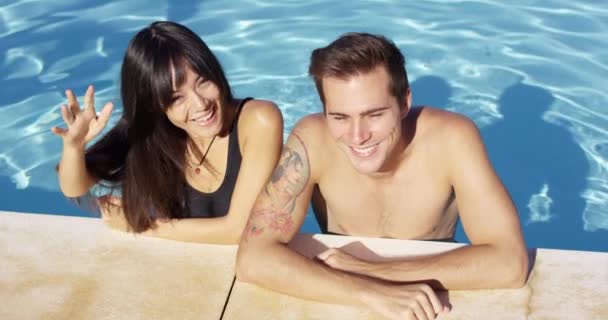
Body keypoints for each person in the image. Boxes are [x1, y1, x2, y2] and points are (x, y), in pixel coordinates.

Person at [236, 33, 528, 319]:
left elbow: (510, 263)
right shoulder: (312, 140)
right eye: (339, 117)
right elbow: (253, 258)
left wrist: (371, 269)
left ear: (404, 103)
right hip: (343, 297)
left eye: (374, 115)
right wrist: (370, 292)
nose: (357, 136)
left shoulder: (452, 139)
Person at [51, 21, 283, 244]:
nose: (200, 104)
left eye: (203, 82)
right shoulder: (150, 133)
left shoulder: (258, 120)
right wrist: (74, 146)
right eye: (177, 97)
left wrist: (143, 224)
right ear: (153, 104)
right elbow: (74, 187)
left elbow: (239, 230)